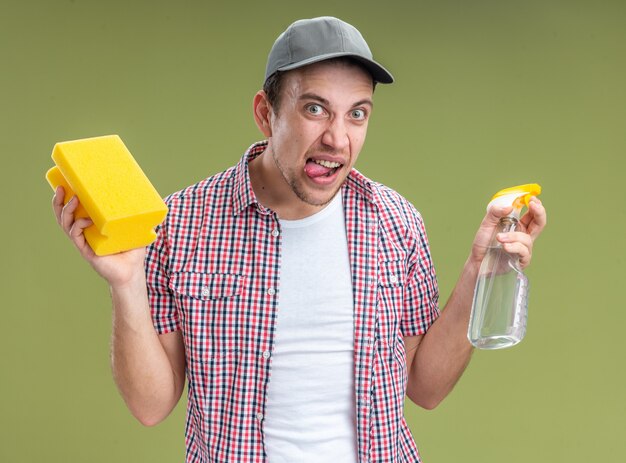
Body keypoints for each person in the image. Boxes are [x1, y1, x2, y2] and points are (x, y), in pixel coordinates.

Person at [52, 16, 547, 463]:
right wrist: (125, 283)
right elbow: (151, 405)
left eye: (357, 113)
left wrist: (480, 271)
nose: (338, 137)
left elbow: (426, 387)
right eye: (316, 109)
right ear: (266, 114)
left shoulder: (396, 222)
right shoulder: (182, 222)